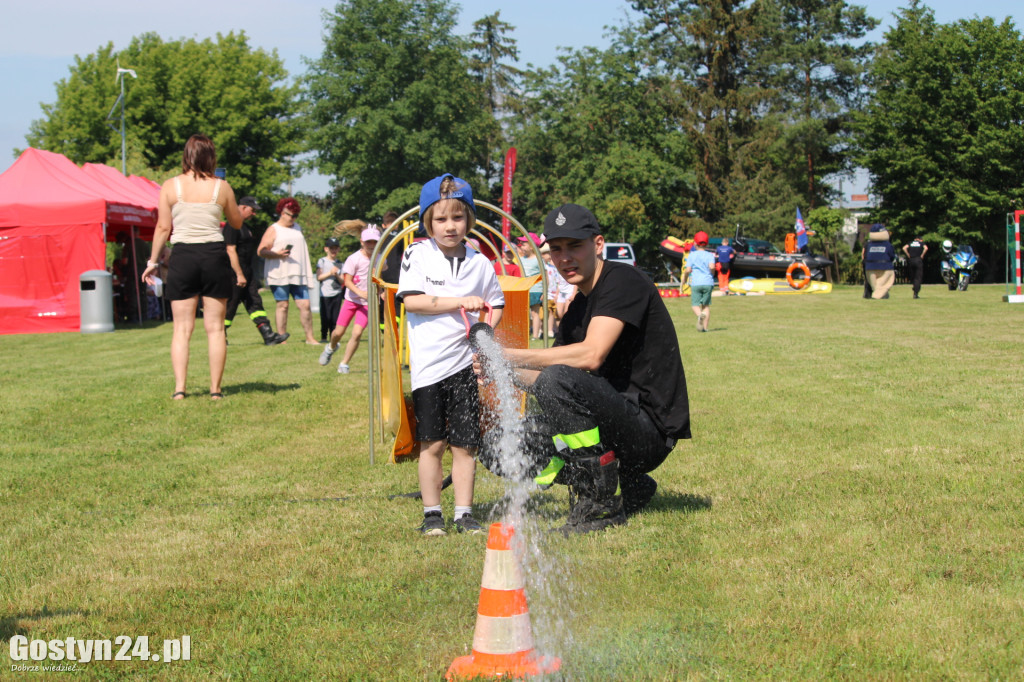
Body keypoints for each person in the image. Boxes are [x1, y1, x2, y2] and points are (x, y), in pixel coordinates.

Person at [477, 203, 690, 534]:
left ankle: (600, 502)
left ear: (598, 244)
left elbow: (590, 356)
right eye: (557, 249)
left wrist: (508, 355)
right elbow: (543, 380)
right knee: (496, 447)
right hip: (613, 426)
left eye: (575, 246)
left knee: (559, 376)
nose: (565, 258)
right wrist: (496, 369)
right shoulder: (577, 308)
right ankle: (628, 484)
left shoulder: (623, 280)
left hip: (648, 433)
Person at [397, 174, 505, 536]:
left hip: (465, 369)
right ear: (428, 221)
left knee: (465, 445)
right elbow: (412, 300)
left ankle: (464, 513)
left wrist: (484, 339)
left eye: (458, 218)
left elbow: (497, 304)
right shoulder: (417, 254)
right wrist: (460, 301)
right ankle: (432, 514)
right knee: (432, 444)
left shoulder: (481, 263)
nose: (450, 226)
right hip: (429, 369)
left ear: (469, 220)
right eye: (441, 219)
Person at [141, 134, 245, 400]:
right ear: (211, 157)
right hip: (213, 255)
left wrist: (153, 263)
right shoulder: (221, 187)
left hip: (183, 256)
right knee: (215, 328)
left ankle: (179, 389)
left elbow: (164, 227)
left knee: (182, 328)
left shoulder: (170, 186)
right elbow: (236, 223)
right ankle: (215, 390)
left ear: (186, 155)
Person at [224, 196, 287, 345]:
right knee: (230, 305)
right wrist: (239, 274)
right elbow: (230, 250)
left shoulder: (245, 227)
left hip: (247, 272)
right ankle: (220, 335)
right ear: (243, 207)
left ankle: (268, 335)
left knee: (255, 302)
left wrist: (247, 274)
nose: (254, 214)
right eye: (252, 210)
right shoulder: (232, 226)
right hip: (234, 273)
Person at [319, 226, 380, 373]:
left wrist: (381, 291)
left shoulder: (379, 258)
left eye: (374, 242)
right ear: (361, 242)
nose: (371, 245)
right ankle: (331, 347)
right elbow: (347, 282)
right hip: (351, 300)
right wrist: (360, 292)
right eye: (368, 242)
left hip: (367, 303)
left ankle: (344, 363)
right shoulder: (354, 259)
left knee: (357, 333)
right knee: (338, 333)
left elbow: (381, 277)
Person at [257, 198, 318, 344]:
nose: (292, 218)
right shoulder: (273, 229)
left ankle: (310, 337)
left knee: (305, 305)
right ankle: (281, 337)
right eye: (289, 215)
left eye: (295, 215)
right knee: (283, 305)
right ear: (281, 212)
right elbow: (261, 250)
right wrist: (277, 254)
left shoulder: (297, 227)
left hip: (298, 273)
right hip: (279, 273)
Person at [684, 231, 716, 332]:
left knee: (695, 305)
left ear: (695, 243)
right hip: (708, 282)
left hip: (696, 283)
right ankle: (705, 328)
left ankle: (699, 315)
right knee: (706, 306)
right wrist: (712, 272)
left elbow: (688, 270)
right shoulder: (710, 255)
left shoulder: (692, 255)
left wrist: (684, 279)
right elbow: (712, 266)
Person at [517, 232, 545, 339]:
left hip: (536, 289)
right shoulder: (521, 259)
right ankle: (525, 333)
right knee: (524, 314)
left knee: (535, 313)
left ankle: (535, 335)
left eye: (524, 244)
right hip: (524, 289)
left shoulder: (538, 259)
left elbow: (544, 275)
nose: (521, 247)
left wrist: (544, 291)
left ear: (531, 246)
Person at [317, 237, 344, 342]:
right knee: (325, 317)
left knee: (335, 318)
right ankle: (323, 337)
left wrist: (336, 274)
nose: (333, 250)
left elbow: (342, 281)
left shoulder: (340, 263)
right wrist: (330, 273)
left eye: (336, 248)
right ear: (326, 249)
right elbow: (319, 277)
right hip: (325, 294)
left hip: (337, 293)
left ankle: (333, 337)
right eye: (331, 248)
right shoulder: (322, 261)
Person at [863, 223, 896, 299]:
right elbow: (892, 255)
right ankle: (876, 295)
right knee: (885, 282)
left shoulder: (869, 245)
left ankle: (883, 295)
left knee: (875, 285)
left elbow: (866, 255)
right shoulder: (887, 244)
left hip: (870, 267)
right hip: (885, 266)